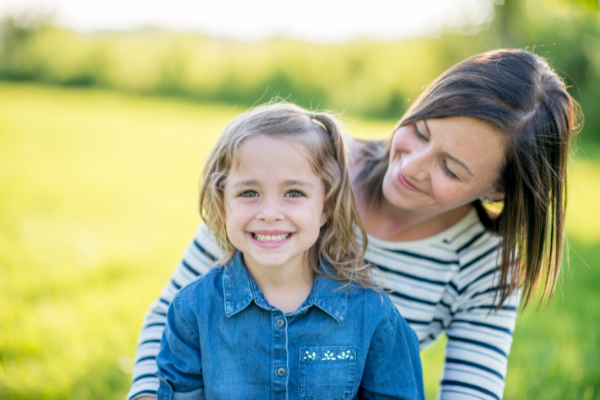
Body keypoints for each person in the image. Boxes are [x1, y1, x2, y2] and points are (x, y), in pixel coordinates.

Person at [128, 49, 579, 400]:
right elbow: (175, 314)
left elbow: (471, 391)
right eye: (421, 131)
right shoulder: (297, 173)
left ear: (496, 191)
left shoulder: (487, 262)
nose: (412, 166)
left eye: (451, 169)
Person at [153, 103, 425, 400]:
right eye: (249, 193)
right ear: (222, 204)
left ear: (326, 208)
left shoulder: (374, 317)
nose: (270, 213)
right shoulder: (192, 311)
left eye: (294, 193)